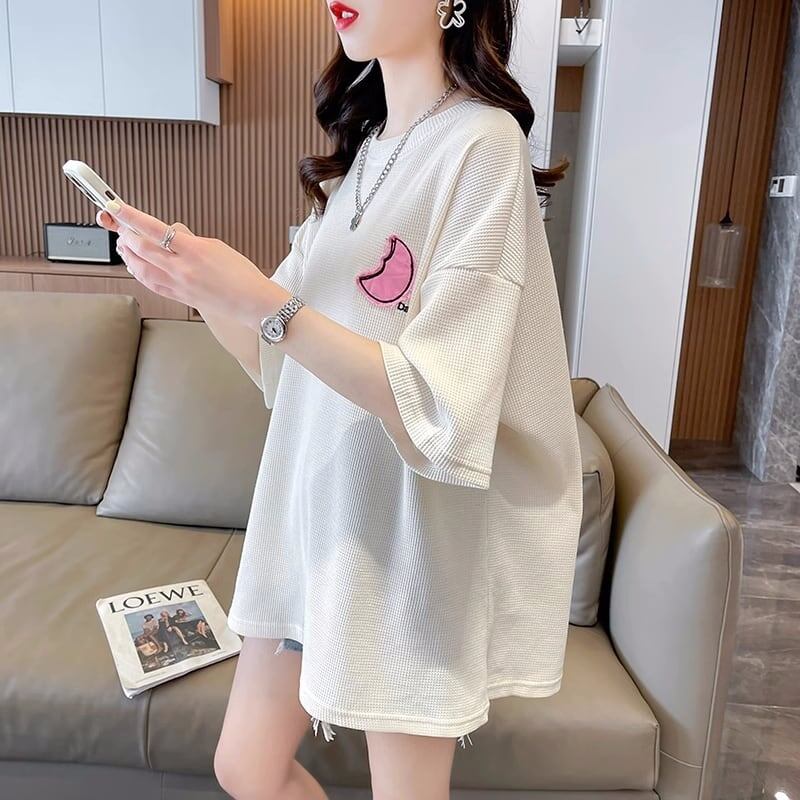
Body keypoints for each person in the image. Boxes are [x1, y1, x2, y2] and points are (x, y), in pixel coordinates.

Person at [95, 0, 583, 796]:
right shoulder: (367, 153)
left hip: (408, 538)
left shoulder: (482, 143)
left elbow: (444, 398)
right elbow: (273, 353)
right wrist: (195, 284)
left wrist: (261, 299)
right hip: (314, 515)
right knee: (245, 767)